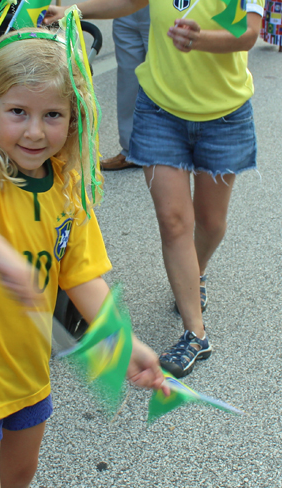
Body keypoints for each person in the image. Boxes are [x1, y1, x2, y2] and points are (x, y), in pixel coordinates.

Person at [0, 26, 169, 487]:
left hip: (28, 373)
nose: (33, 131)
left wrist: (121, 342)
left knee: (20, 476)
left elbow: (82, 275)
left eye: (51, 115)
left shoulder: (66, 188)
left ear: (73, 119)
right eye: (18, 111)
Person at [45, 0, 264, 378]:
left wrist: (202, 39)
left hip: (224, 116)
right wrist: (75, 10)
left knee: (211, 224)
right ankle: (195, 333)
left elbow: (246, 32)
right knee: (174, 221)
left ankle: (195, 274)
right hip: (160, 110)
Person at [100, 7, 150, 171]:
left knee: (166, 76)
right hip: (125, 9)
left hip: (168, 8)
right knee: (128, 77)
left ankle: (174, 149)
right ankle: (131, 150)